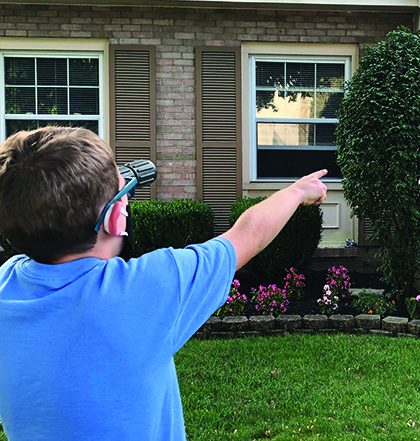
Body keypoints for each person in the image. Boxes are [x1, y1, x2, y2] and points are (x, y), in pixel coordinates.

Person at [0, 126, 327, 441]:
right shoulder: (148, 289)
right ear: (116, 219)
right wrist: (297, 191)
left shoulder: (6, 284)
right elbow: (248, 235)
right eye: (123, 193)